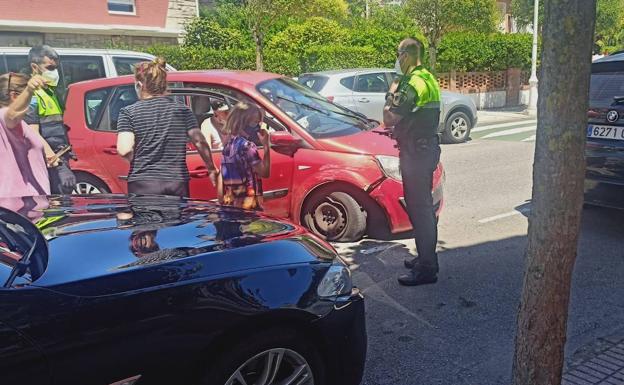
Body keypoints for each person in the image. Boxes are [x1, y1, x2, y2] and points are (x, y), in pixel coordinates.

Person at [383, 38, 442, 287]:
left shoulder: (410, 84)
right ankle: (427, 259)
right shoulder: (428, 77)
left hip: (416, 154)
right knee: (423, 209)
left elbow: (389, 118)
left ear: (405, 55)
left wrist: (391, 92)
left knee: (420, 210)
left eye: (398, 54)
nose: (397, 59)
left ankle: (427, 269)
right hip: (426, 149)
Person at [116, 58, 218, 197]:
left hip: (143, 183)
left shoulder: (128, 113)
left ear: (139, 85)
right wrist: (211, 168)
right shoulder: (182, 110)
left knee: (146, 218)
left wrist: (140, 161)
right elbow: (200, 141)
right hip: (176, 182)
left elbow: (124, 149)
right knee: (177, 218)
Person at [25, 45, 77, 194]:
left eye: (56, 68)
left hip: (59, 157)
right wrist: (58, 165)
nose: (54, 72)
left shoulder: (49, 92)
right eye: (49, 68)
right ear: (34, 67)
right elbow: (33, 134)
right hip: (47, 163)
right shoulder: (32, 95)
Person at [0, 72, 51, 198]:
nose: (32, 99)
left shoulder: (20, 125)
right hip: (21, 203)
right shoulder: (4, 115)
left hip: (28, 201)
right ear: (14, 96)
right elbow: (11, 114)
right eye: (30, 97)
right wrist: (29, 89)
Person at [218, 102, 270, 211]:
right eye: (255, 122)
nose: (258, 126)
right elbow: (265, 172)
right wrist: (266, 145)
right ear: (243, 122)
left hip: (231, 205)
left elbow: (221, 177)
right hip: (249, 206)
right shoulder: (248, 146)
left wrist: (221, 202)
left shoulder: (228, 144)